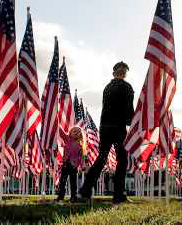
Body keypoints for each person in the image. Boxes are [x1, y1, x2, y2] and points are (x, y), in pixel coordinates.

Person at [79, 61, 134, 203]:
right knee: (122, 160)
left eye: (123, 71)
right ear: (116, 72)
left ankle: (85, 190)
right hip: (118, 127)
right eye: (122, 71)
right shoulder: (127, 87)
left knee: (102, 158)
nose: (123, 73)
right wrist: (133, 122)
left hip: (105, 127)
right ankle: (119, 194)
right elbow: (129, 111)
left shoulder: (107, 87)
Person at [55, 126, 84, 203]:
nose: (76, 132)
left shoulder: (80, 146)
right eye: (74, 131)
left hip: (73, 166)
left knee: (73, 182)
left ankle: (73, 197)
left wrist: (82, 165)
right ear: (70, 132)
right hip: (65, 164)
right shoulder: (67, 139)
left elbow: (80, 157)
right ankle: (60, 196)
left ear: (80, 135)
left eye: (78, 132)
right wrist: (58, 124)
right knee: (62, 181)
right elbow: (62, 133)